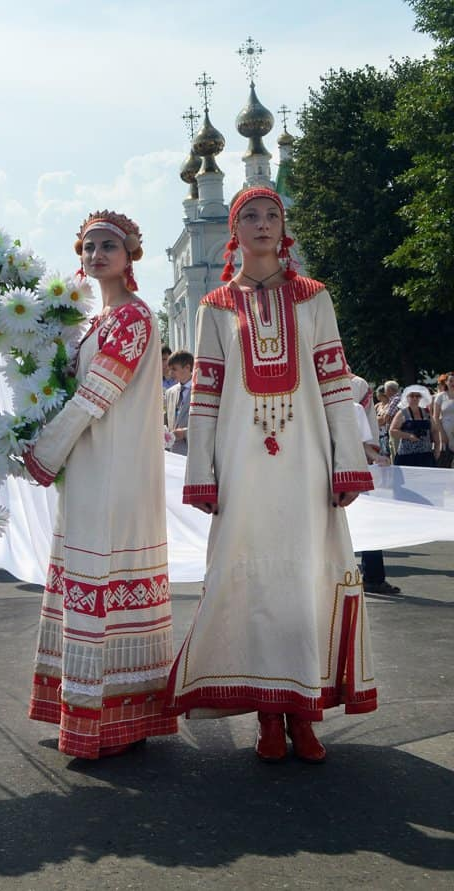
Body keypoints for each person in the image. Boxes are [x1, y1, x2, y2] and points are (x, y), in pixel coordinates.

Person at [168, 186, 376, 763]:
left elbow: (336, 387)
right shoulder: (214, 307)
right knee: (251, 583)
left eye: (272, 215)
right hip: (242, 465)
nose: (263, 223)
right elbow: (204, 396)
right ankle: (266, 713)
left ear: (284, 226)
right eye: (250, 216)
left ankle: (303, 713)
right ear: (235, 230)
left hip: (306, 463)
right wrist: (202, 471)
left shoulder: (314, 299)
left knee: (304, 582)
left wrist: (348, 464)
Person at [22, 211, 177, 759]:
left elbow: (94, 396)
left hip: (116, 471)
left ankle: (114, 719)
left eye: (108, 245)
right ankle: (104, 713)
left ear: (131, 253)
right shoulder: (94, 320)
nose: (96, 255)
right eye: (89, 246)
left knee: (107, 573)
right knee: (91, 576)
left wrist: (43, 452)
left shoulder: (133, 318)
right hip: (89, 468)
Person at [351, 374, 399, 595]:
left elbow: (364, 436)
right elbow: (366, 436)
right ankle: (371, 576)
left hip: (345, 463)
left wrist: (373, 454)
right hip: (348, 463)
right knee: (366, 519)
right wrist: (372, 453)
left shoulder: (355, 400)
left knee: (366, 519)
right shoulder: (357, 387)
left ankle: (371, 576)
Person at [389, 385, 441, 468]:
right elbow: (392, 431)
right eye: (412, 395)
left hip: (426, 456)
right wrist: (409, 436)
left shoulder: (426, 412)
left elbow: (434, 430)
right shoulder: (402, 413)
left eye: (418, 396)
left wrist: (437, 448)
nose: (415, 398)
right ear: (407, 397)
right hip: (406, 457)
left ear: (421, 398)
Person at [164, 350, 194, 456]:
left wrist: (185, 433)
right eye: (170, 369)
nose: (170, 373)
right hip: (173, 455)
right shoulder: (169, 393)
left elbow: (207, 426)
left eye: (174, 369)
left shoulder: (202, 392)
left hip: (193, 454)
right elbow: (167, 423)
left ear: (187, 368)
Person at [435, 373, 454, 468]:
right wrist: (441, 434)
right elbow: (436, 416)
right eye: (450, 381)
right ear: (446, 382)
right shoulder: (441, 396)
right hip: (445, 434)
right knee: (445, 462)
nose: (452, 383)